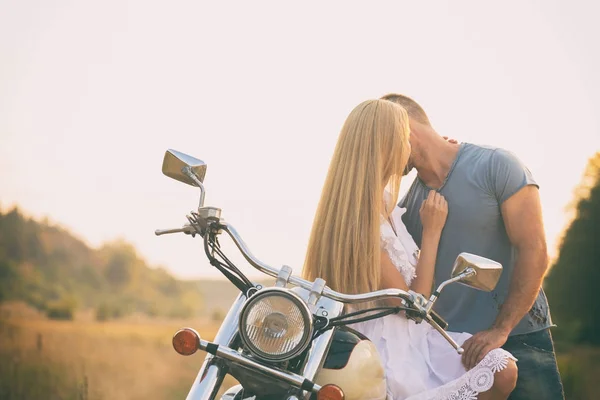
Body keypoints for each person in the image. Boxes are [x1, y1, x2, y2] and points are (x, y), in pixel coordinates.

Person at [302, 99, 518, 400]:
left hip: (414, 340)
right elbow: (410, 304)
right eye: (403, 138)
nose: (408, 146)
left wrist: (444, 149)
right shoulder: (358, 222)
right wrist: (432, 233)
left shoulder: (387, 203)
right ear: (385, 146)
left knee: (502, 369)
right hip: (391, 349)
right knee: (499, 372)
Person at [381, 93, 564, 400]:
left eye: (381, 142)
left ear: (404, 129)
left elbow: (535, 250)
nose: (380, 156)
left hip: (521, 339)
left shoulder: (497, 165)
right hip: (458, 358)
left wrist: (500, 330)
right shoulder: (406, 209)